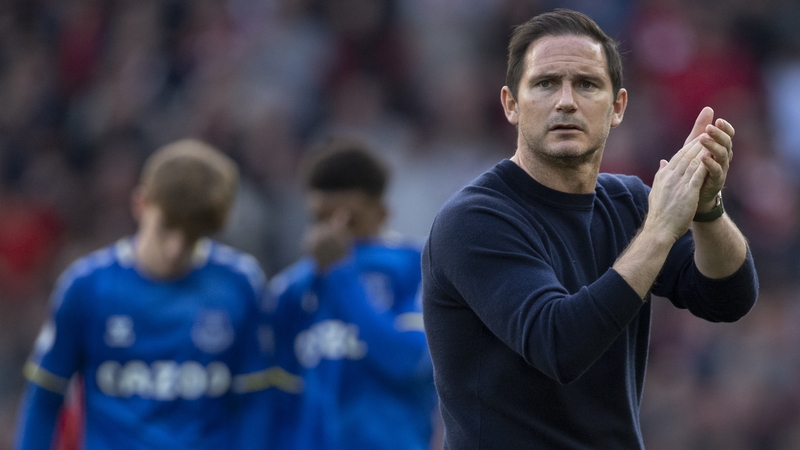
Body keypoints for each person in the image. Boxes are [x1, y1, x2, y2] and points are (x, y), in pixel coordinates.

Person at [421, 9, 759, 450]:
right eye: (545, 83)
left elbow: (729, 297)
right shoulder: (474, 220)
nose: (565, 101)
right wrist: (658, 230)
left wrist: (707, 209)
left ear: (617, 107)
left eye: (586, 84)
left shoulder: (631, 203)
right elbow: (559, 344)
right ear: (511, 104)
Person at [14, 139, 274, 450]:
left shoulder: (239, 285)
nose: (175, 248)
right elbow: (45, 396)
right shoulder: (86, 287)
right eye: (167, 228)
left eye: (192, 235)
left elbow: (256, 402)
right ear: (140, 204)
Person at [265, 138, 438, 450]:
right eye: (320, 219)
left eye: (349, 220)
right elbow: (277, 397)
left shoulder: (421, 266)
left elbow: (409, 362)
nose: (333, 233)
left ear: (383, 213)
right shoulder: (290, 289)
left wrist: (340, 275)